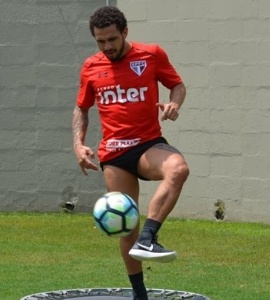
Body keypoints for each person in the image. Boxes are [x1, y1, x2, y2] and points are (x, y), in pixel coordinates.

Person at [72, 6, 189, 300]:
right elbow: (81, 108)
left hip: (148, 144)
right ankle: (140, 294)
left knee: (178, 169)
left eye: (112, 39)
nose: (107, 46)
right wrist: (78, 143)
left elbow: (177, 85)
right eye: (101, 41)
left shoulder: (151, 55)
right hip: (113, 154)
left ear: (125, 32)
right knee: (126, 225)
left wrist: (175, 104)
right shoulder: (90, 67)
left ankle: (150, 237)